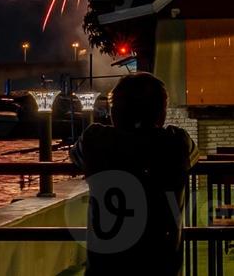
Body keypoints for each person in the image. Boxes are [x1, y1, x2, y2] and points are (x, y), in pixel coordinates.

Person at [71, 72, 198, 275]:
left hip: (106, 268)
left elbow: (76, 155)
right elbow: (193, 155)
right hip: (161, 266)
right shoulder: (176, 143)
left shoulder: (96, 140)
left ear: (115, 112)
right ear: (161, 113)